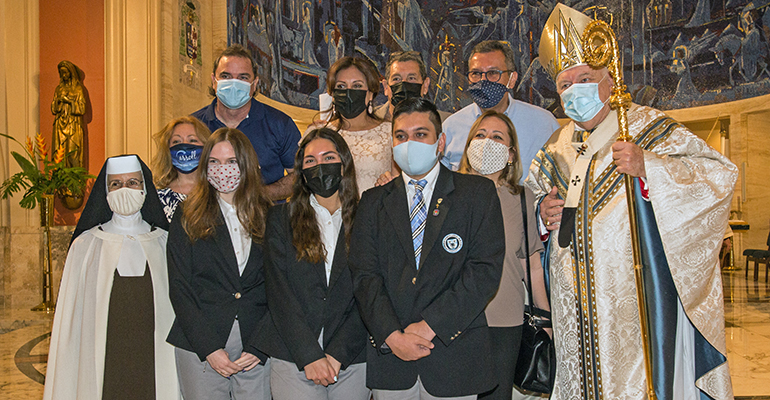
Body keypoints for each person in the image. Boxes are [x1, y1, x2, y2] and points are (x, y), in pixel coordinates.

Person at [527, 4, 736, 399]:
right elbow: (530, 206)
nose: (574, 92)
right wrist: (541, 212)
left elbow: (717, 177)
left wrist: (650, 167)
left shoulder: (645, 127)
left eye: (584, 79)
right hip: (570, 302)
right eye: (564, 85)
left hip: (632, 295)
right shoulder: (555, 147)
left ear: (610, 81)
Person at [349, 98, 505, 399]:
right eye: (401, 136)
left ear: (440, 141)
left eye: (421, 134)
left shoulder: (476, 194)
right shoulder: (372, 201)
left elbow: (484, 271)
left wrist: (430, 325)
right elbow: (364, 276)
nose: (410, 143)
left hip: (453, 353)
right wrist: (392, 336)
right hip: (392, 357)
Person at [44, 155, 178, 400]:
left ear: (145, 188)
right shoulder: (86, 244)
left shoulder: (163, 241)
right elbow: (71, 320)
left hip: (155, 353)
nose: (124, 190)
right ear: (105, 192)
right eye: (115, 184)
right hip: (103, 353)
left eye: (133, 183)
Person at [254, 128, 369, 399]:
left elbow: (371, 290)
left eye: (329, 157)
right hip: (293, 352)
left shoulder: (369, 217)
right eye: (310, 161)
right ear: (301, 172)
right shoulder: (280, 217)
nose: (320, 166)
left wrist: (337, 353)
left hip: (351, 355)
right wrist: (309, 356)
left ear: (344, 164)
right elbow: (278, 292)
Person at [166, 128, 274, 400]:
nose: (222, 169)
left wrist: (261, 345)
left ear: (246, 164)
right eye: (214, 162)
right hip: (201, 344)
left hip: (256, 344)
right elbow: (180, 286)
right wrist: (209, 348)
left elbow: (281, 286)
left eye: (231, 162)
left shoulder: (271, 215)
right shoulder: (188, 214)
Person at [458, 111, 550, 400]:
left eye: (497, 137)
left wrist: (546, 319)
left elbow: (531, 265)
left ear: (510, 154)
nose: (487, 142)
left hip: (504, 322)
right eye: (480, 135)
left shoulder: (523, 198)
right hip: (452, 320)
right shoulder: (446, 194)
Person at [192, 44, 301, 202]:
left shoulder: (280, 124)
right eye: (226, 76)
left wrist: (256, 196)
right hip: (210, 221)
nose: (234, 84)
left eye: (243, 77)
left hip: (265, 221)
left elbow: (299, 176)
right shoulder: (194, 127)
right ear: (213, 81)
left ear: (255, 83)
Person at [441, 40, 560, 182]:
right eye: (476, 73)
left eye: (492, 73)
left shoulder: (543, 124)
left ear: (512, 79)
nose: (483, 80)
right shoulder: (451, 127)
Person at [307, 56, 396, 194]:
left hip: (375, 213)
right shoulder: (318, 133)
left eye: (357, 86)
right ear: (333, 93)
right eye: (341, 86)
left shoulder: (390, 132)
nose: (349, 92)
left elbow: (398, 182)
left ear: (370, 93)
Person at [152, 116, 211, 222]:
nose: (184, 146)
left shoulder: (218, 192)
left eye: (192, 140)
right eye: (176, 141)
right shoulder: (156, 197)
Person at [375, 51, 450, 122]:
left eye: (411, 78)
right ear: (385, 87)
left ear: (425, 85)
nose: (404, 85)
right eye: (396, 79)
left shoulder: (447, 124)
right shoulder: (368, 122)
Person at [51, 60, 86, 169]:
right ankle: (60, 183)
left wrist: (69, 101)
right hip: (60, 124)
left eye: (66, 72)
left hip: (73, 124)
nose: (64, 75)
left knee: (72, 152)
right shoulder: (59, 89)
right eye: (62, 73)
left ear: (71, 73)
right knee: (60, 154)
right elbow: (53, 108)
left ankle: (75, 183)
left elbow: (82, 108)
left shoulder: (78, 89)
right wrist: (58, 102)